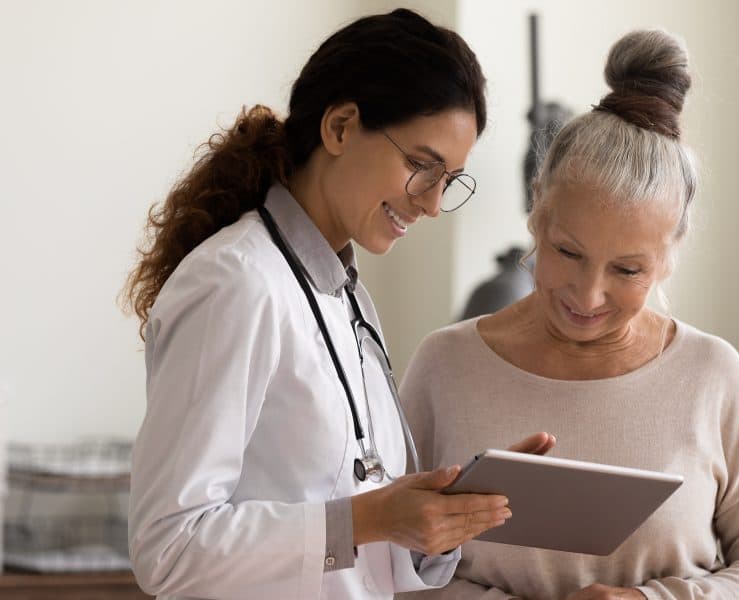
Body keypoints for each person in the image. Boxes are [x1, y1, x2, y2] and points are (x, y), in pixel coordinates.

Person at [123, 9, 551, 600]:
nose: (431, 204)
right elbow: (168, 549)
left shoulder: (350, 299)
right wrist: (369, 518)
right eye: (421, 167)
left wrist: (439, 519)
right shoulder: (236, 283)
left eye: (449, 180)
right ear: (342, 127)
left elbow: (360, 559)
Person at [399, 29, 739, 600]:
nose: (588, 296)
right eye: (568, 253)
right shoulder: (445, 365)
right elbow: (387, 565)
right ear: (537, 212)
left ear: (669, 258)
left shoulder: (709, 374)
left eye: (627, 271)